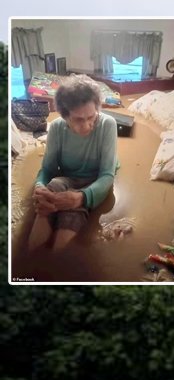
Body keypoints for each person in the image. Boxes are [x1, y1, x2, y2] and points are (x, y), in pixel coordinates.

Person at [28, 76, 118, 250]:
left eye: (91, 117)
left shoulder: (108, 125)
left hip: (94, 180)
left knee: (70, 218)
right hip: (67, 177)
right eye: (78, 119)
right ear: (65, 115)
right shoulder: (56, 127)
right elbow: (48, 169)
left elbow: (107, 175)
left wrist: (81, 198)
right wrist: (39, 187)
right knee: (49, 193)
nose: (86, 125)